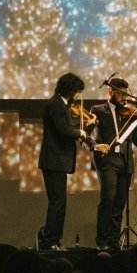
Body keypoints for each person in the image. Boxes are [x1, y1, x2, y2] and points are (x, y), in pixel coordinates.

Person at [88, 76, 137, 251]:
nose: (124, 98)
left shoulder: (130, 113)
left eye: (125, 95)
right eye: (120, 94)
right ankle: (102, 241)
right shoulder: (98, 109)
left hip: (125, 161)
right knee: (108, 199)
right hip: (107, 161)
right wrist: (95, 146)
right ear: (110, 92)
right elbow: (86, 132)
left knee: (120, 202)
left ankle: (113, 241)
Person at [37, 72, 94, 251]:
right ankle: (50, 241)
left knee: (59, 203)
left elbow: (68, 129)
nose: (77, 96)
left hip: (58, 161)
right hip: (53, 161)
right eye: (76, 91)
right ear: (71, 90)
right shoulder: (55, 105)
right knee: (57, 203)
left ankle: (55, 240)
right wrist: (81, 133)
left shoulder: (61, 104)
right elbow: (63, 130)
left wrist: (87, 126)